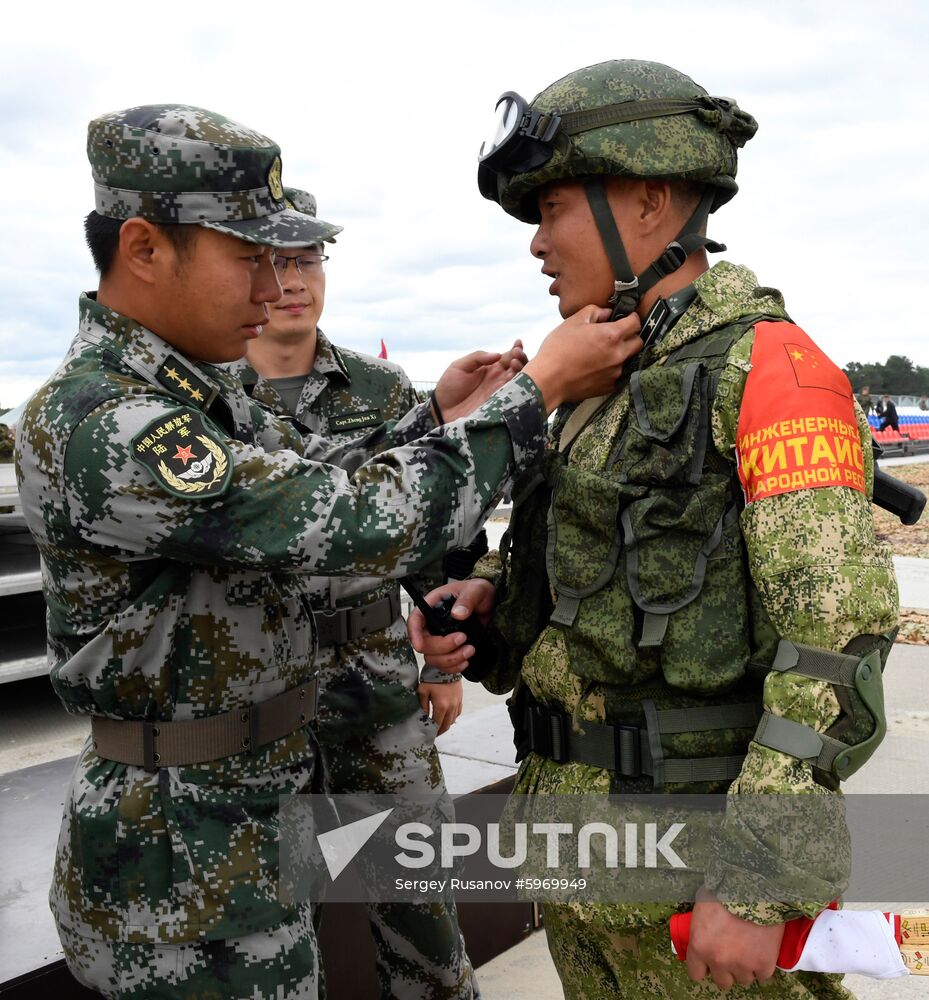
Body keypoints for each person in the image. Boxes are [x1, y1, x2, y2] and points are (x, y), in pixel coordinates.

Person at [13, 104, 643, 1000]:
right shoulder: (109, 422)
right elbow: (352, 520)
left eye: (290, 261)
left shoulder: (195, 399)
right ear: (146, 248)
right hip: (180, 858)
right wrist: (538, 390)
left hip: (243, 813)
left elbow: (315, 473)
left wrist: (436, 419)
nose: (276, 290)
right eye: (249, 259)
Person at [411, 60, 898, 998]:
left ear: (646, 202)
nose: (537, 244)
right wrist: (494, 609)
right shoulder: (603, 382)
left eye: (550, 208)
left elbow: (836, 645)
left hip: (699, 881)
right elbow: (593, 597)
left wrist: (755, 888)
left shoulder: (769, 369)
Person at [231, 187, 482, 999]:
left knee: (420, 902)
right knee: (277, 913)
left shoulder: (381, 389)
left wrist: (440, 665)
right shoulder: (204, 397)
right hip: (259, 693)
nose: (292, 280)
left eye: (305, 260)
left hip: (375, 684)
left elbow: (430, 529)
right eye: (270, 262)